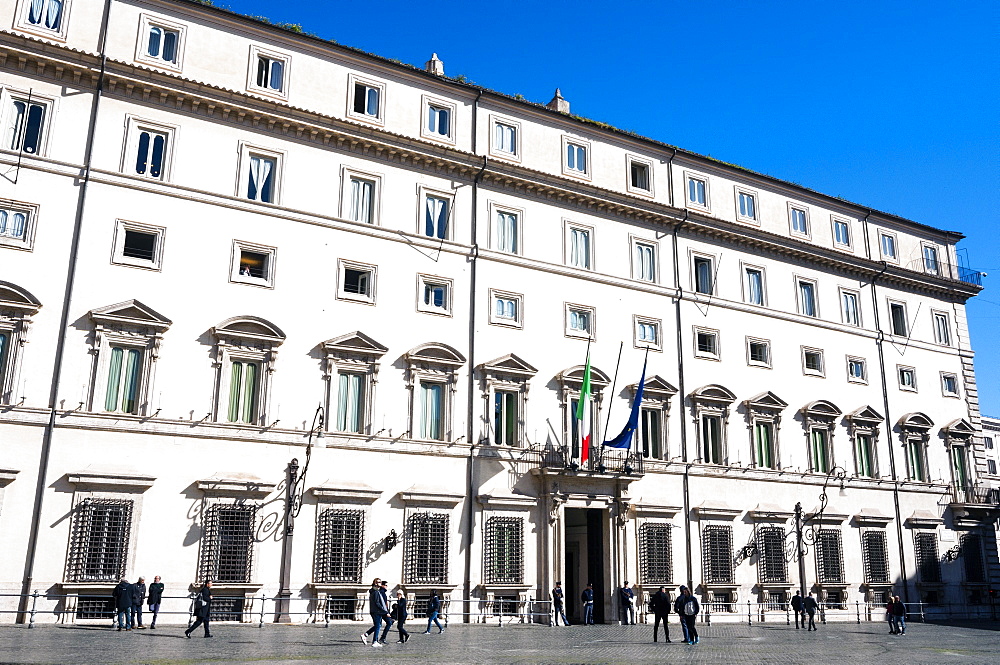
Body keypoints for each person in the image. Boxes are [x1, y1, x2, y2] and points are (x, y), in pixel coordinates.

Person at [362, 578, 387, 647]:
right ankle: (374, 641)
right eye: (379, 582)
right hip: (376, 611)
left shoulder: (375, 591)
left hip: (375, 611)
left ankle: (365, 635)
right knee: (378, 626)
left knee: (378, 625)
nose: (380, 583)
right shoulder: (375, 592)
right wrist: (383, 610)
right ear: (375, 583)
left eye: (381, 582)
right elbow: (377, 603)